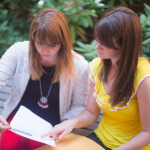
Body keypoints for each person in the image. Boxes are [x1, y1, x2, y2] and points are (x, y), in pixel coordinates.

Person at [42, 7, 150, 150]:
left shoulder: (143, 77)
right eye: (98, 40)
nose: (97, 47)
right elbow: (91, 113)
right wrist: (71, 123)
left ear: (125, 45)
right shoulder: (98, 66)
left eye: (105, 44)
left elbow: (147, 133)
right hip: (99, 139)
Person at [0, 8, 89, 150]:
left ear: (63, 42)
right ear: (33, 37)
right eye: (40, 43)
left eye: (52, 45)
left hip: (52, 130)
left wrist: (66, 123)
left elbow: (79, 105)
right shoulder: (19, 52)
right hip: (15, 125)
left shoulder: (79, 66)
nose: (45, 50)